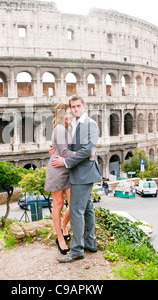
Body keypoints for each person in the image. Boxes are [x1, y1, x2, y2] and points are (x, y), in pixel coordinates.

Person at [51, 95, 102, 263]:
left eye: (78, 106)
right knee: (87, 209)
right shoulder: (75, 125)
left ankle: (77, 251)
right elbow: (71, 148)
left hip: (83, 174)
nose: (75, 109)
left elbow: (88, 150)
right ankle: (90, 244)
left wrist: (65, 160)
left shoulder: (90, 124)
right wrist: (55, 151)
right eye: (73, 107)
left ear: (84, 105)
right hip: (80, 173)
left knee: (75, 212)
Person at [44, 102, 74, 255]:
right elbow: (64, 152)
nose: (69, 116)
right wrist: (86, 154)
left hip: (67, 170)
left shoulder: (68, 128)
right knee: (58, 205)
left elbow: (58, 148)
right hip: (57, 170)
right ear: (60, 115)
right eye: (66, 114)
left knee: (72, 203)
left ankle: (63, 225)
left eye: (71, 113)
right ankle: (60, 239)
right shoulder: (61, 128)